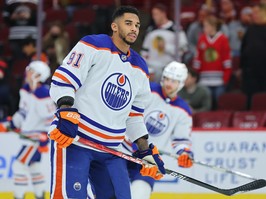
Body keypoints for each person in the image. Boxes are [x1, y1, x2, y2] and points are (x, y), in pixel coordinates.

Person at [48, 6, 166, 199]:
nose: (134, 28)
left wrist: (145, 150)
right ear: (114, 26)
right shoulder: (93, 45)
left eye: (137, 25)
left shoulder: (140, 68)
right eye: (128, 23)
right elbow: (64, 80)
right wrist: (66, 111)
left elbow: (134, 115)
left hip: (111, 149)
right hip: (76, 139)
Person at [0, 60, 56, 199]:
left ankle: (19, 196)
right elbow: (23, 112)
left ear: (38, 75)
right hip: (28, 136)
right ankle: (40, 195)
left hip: (36, 138)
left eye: (31, 70)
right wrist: (11, 124)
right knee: (33, 167)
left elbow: (51, 118)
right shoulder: (25, 89)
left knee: (19, 165)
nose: (27, 73)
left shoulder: (44, 93)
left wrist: (46, 135)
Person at [140, 3, 189, 83]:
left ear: (163, 14)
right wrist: (149, 69)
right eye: (153, 14)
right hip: (153, 71)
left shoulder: (176, 29)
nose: (154, 17)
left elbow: (184, 49)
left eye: (156, 14)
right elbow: (144, 51)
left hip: (170, 70)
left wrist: (166, 47)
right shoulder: (151, 30)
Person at [193, 15, 232, 109]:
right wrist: (195, 75)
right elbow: (198, 58)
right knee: (207, 104)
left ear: (213, 26)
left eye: (206, 26)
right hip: (204, 79)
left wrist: (225, 78)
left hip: (219, 80)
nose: (204, 28)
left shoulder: (223, 39)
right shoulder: (202, 39)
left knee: (219, 104)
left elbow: (226, 59)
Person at [240, 2, 266, 108]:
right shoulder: (250, 30)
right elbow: (243, 49)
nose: (253, 15)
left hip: (264, 70)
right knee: (250, 96)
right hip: (250, 71)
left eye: (256, 12)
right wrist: (241, 67)